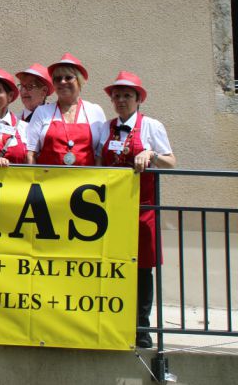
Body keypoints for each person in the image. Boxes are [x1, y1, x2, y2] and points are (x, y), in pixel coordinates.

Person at [96, 71, 175, 348]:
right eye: (116, 96)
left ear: (138, 99)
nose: (121, 100)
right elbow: (98, 163)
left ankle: (141, 326)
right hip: (111, 210)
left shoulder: (152, 126)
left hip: (143, 209)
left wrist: (151, 154)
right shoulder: (105, 128)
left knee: (142, 269)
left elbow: (171, 161)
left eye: (127, 95)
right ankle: (112, 322)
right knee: (112, 266)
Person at [26, 53, 106, 166]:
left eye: (68, 77)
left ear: (79, 81)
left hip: (86, 177)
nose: (62, 82)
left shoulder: (95, 111)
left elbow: (100, 155)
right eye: (58, 79)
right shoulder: (42, 112)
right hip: (47, 177)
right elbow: (30, 154)